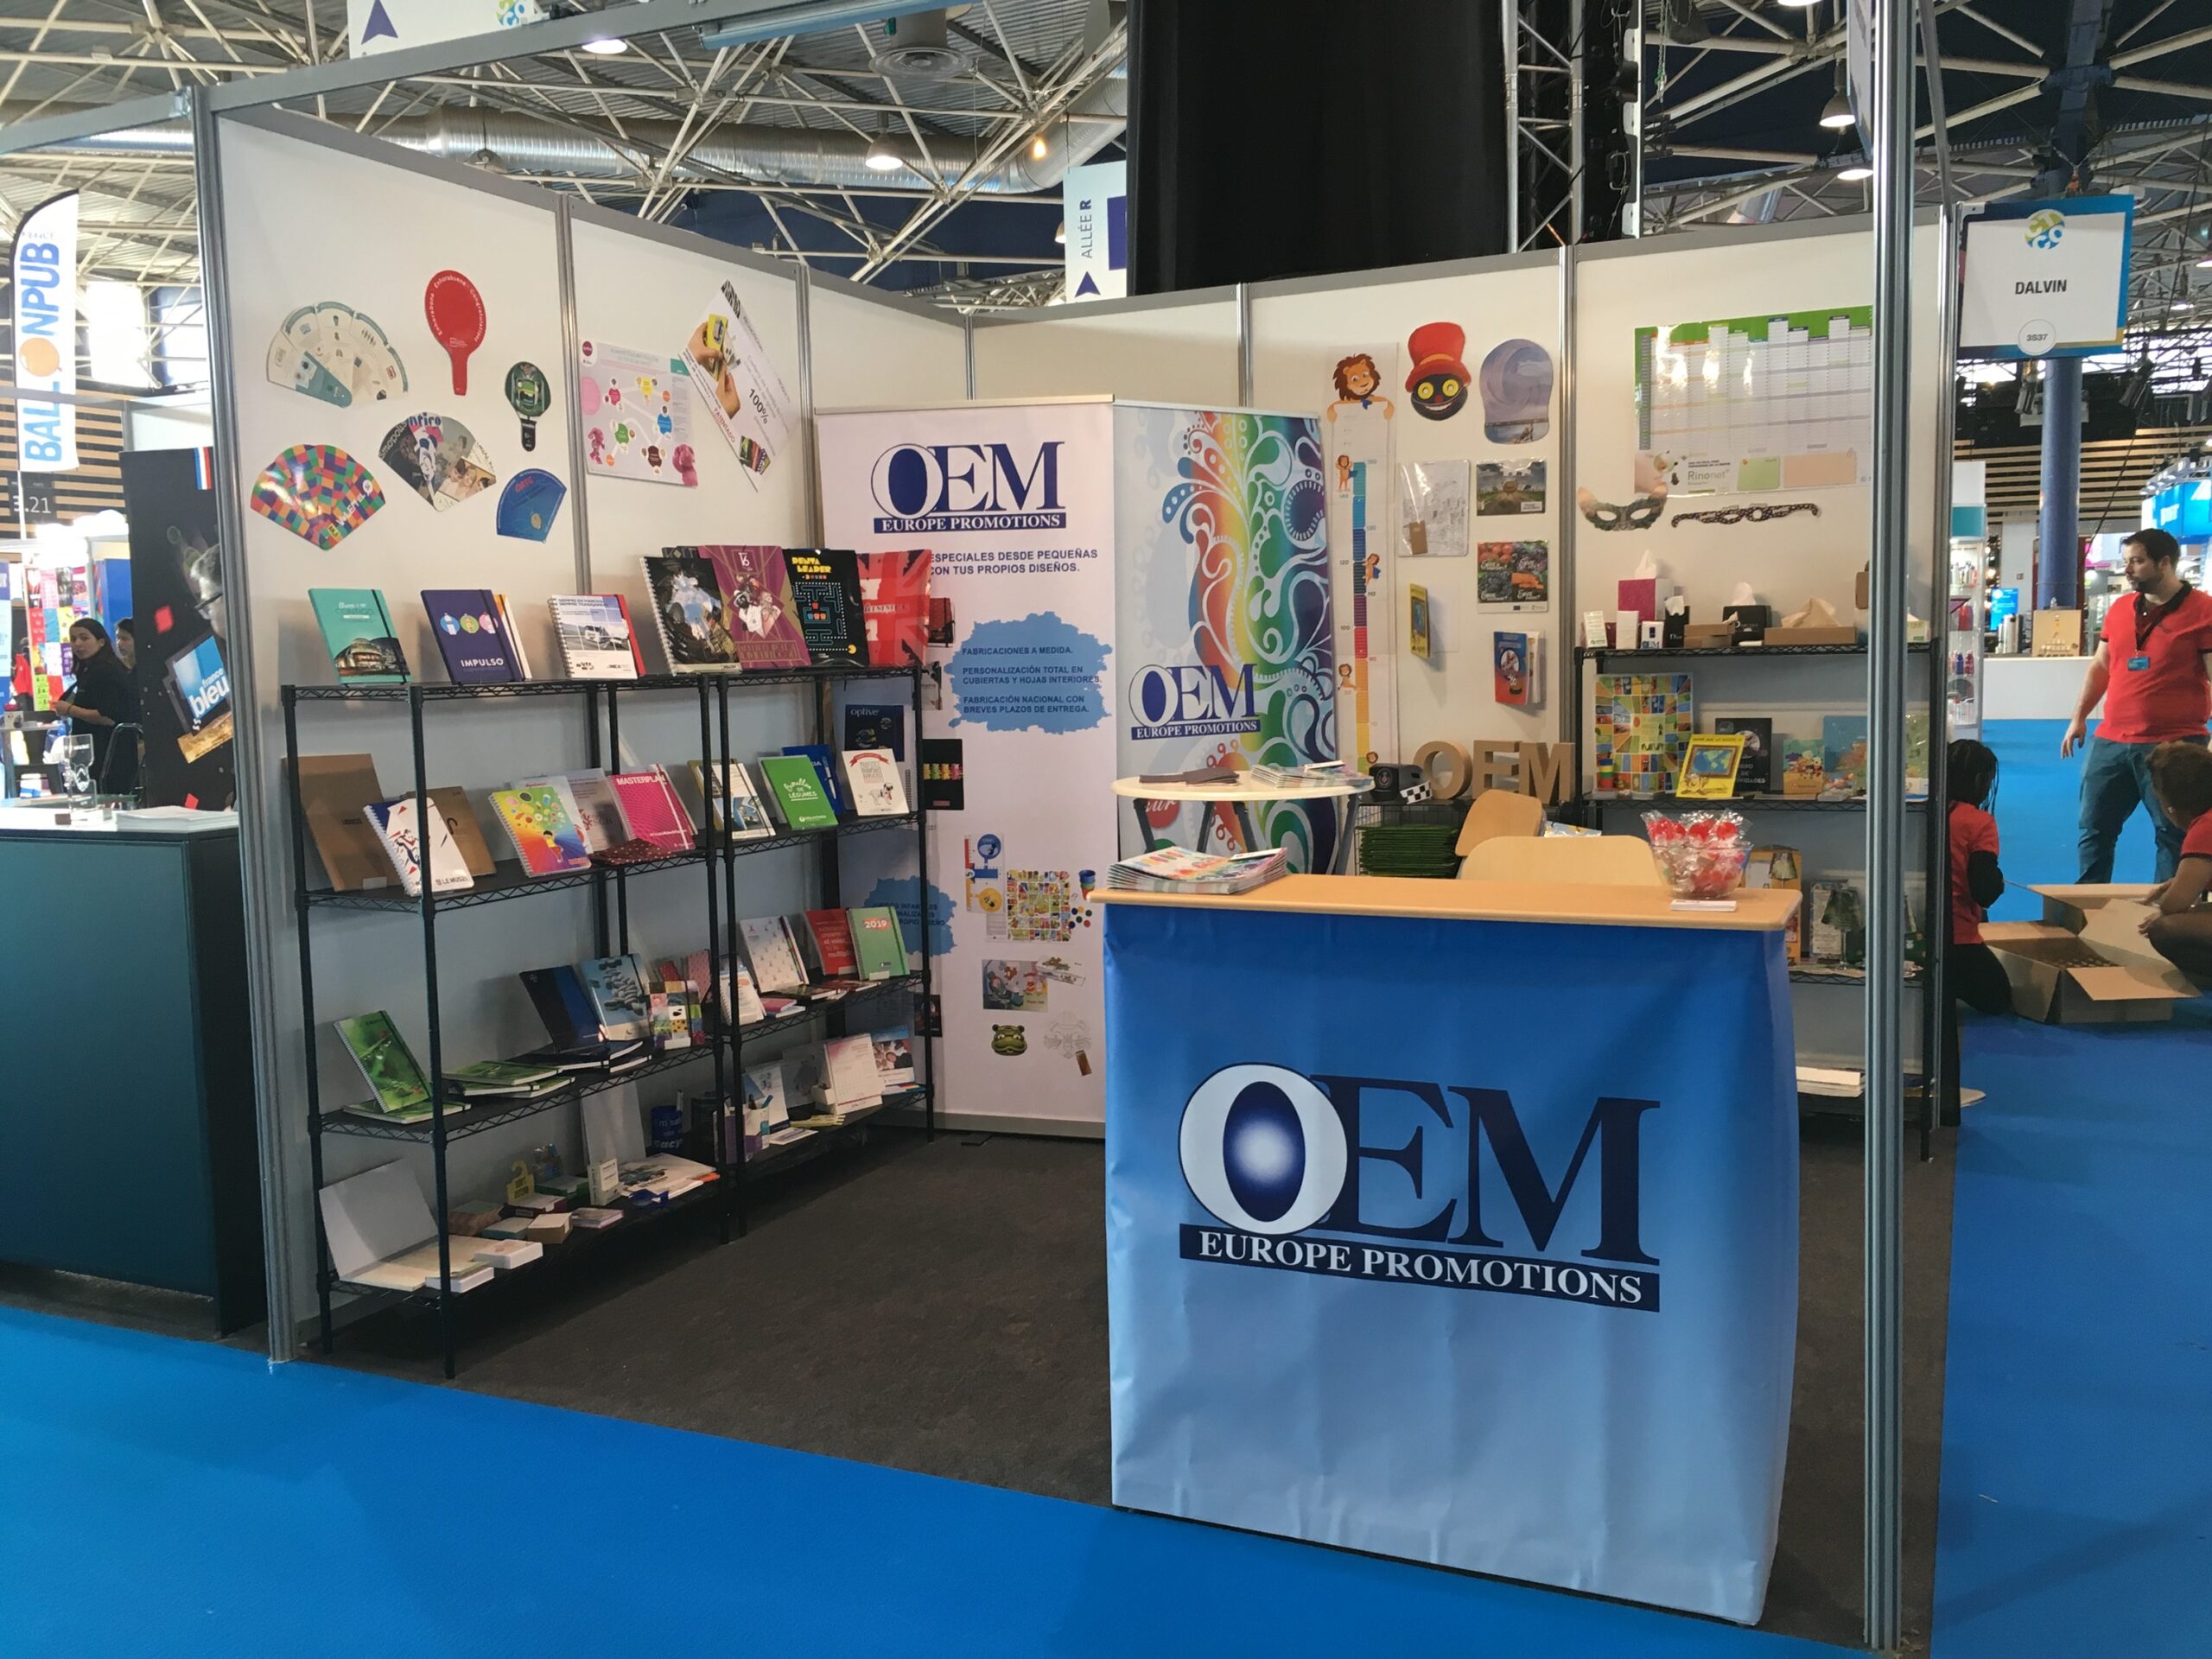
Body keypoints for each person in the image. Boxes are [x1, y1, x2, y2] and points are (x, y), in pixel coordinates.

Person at [2062, 526, 2212, 882]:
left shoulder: (2204, 611)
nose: (2127, 569)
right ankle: (2087, 904)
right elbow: (2101, 666)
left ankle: (2170, 907)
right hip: (2111, 740)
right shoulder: (2119, 609)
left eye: (2137, 561)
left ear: (2164, 563)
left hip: (2175, 743)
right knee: (2094, 829)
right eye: (2126, 561)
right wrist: (2079, 717)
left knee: (2173, 833)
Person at [1945, 739, 2012, 1113]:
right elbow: (1985, 890)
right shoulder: (1979, 822)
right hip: (1957, 941)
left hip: (1909, 935)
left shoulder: (1917, 810)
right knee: (1997, 1000)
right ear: (1981, 781)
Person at [2139, 740, 2212, 984]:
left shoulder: (2205, 829)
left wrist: (2160, 911)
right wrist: (2176, 882)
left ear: (2170, 808)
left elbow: (2175, 904)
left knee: (2165, 929)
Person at [48, 618, 139, 793]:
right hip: (90, 752)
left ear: (101, 641)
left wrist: (70, 710)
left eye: (84, 638)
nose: (78, 644)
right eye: (73, 639)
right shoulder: (88, 670)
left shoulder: (105, 671)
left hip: (107, 755)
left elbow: (108, 717)